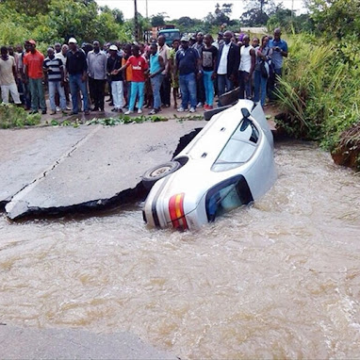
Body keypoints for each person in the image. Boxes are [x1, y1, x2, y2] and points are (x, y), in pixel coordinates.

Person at [117, 44, 148, 115]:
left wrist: (146, 75)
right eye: (131, 51)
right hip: (134, 80)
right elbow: (125, 66)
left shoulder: (142, 59)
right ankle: (130, 109)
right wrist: (118, 70)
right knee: (132, 94)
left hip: (141, 80)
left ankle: (140, 108)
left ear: (137, 51)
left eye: (133, 51)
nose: (132, 52)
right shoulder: (131, 58)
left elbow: (146, 68)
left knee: (141, 94)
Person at [176, 35, 200, 113]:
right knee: (183, 92)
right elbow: (176, 63)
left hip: (190, 74)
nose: (183, 44)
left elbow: (198, 61)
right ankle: (184, 105)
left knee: (192, 91)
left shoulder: (193, 51)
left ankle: (193, 106)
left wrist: (199, 71)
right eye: (182, 42)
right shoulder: (179, 52)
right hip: (181, 74)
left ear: (188, 42)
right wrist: (175, 74)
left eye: (185, 42)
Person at [66, 37, 89, 115]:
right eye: (69, 44)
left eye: (72, 44)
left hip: (80, 75)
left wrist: (84, 75)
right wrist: (66, 75)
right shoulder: (68, 54)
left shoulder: (81, 53)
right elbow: (67, 65)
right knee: (73, 94)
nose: (70, 45)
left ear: (75, 44)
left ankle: (86, 109)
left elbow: (85, 65)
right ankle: (75, 109)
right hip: (72, 75)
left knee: (84, 93)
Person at [23, 39, 46, 114]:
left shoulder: (40, 55)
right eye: (29, 46)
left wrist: (44, 76)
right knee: (33, 93)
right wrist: (26, 78)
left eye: (32, 45)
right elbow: (26, 67)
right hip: (31, 77)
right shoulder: (27, 56)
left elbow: (43, 67)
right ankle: (34, 109)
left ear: (34, 46)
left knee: (41, 93)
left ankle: (43, 108)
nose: (30, 47)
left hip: (39, 76)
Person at [214, 31, 239, 97]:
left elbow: (237, 62)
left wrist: (233, 73)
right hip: (220, 71)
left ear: (231, 37)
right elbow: (218, 59)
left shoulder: (235, 47)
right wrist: (215, 71)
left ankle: (229, 104)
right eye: (224, 36)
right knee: (220, 89)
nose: (225, 37)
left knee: (229, 89)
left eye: (227, 36)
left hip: (229, 72)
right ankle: (221, 104)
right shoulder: (221, 46)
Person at [43, 47, 67, 115]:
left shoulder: (58, 60)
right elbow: (44, 70)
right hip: (51, 80)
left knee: (62, 94)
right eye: (48, 52)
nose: (50, 54)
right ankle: (53, 110)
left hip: (59, 79)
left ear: (53, 52)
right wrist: (47, 70)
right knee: (51, 95)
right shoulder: (45, 61)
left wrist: (63, 79)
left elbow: (62, 70)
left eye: (51, 52)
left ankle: (63, 109)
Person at [268, 28, 288, 101]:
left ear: (280, 34)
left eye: (277, 34)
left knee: (278, 83)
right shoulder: (269, 42)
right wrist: (271, 49)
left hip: (278, 66)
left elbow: (286, 55)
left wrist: (280, 51)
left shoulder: (284, 43)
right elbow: (266, 51)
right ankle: (271, 98)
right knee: (270, 82)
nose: (276, 36)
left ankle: (278, 98)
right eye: (275, 34)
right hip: (270, 66)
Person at [87, 40, 107, 112]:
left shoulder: (103, 54)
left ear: (99, 45)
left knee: (101, 93)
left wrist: (105, 76)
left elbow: (105, 65)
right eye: (94, 45)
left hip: (101, 77)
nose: (95, 46)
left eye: (97, 45)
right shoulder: (89, 54)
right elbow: (88, 64)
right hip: (92, 76)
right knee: (94, 92)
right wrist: (88, 73)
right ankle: (96, 106)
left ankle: (101, 107)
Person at [253, 35, 272, 107]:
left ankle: (262, 104)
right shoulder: (258, 48)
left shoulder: (269, 49)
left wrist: (261, 55)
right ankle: (256, 102)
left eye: (267, 40)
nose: (265, 42)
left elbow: (268, 58)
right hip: (257, 69)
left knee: (263, 87)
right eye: (264, 40)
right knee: (256, 86)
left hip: (264, 69)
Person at [148, 42, 165, 115]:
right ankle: (158, 106)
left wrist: (154, 74)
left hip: (157, 76)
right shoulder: (151, 56)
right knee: (155, 91)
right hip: (152, 75)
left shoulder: (159, 56)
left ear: (156, 49)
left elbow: (163, 67)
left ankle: (156, 108)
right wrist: (148, 71)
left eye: (152, 49)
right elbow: (152, 66)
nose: (151, 50)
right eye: (150, 48)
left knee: (156, 92)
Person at [107, 44, 124, 113]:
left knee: (120, 92)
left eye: (113, 51)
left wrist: (118, 71)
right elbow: (107, 69)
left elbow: (122, 67)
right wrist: (110, 73)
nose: (112, 52)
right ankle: (116, 106)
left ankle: (120, 106)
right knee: (114, 92)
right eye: (111, 51)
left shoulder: (120, 58)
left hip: (119, 77)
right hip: (112, 78)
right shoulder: (109, 59)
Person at [202, 34, 217, 109]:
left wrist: (214, 72)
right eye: (204, 39)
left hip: (211, 71)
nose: (205, 41)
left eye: (207, 39)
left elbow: (215, 61)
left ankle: (210, 103)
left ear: (210, 40)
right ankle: (207, 102)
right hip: (204, 70)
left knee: (210, 87)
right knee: (205, 87)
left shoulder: (214, 49)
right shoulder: (203, 48)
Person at [238, 34, 256, 99]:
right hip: (241, 69)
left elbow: (253, 63)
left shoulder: (251, 49)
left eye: (245, 40)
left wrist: (250, 73)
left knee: (247, 86)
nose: (244, 42)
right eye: (243, 40)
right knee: (241, 87)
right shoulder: (242, 48)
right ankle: (241, 100)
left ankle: (248, 100)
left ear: (248, 40)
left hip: (247, 69)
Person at [193, 32, 205, 108]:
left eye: (201, 35)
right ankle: (197, 100)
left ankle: (202, 100)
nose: (199, 37)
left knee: (201, 85)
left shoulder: (204, 46)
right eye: (198, 35)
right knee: (196, 85)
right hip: (195, 68)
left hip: (202, 67)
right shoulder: (194, 46)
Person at [158, 35, 171, 108]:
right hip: (158, 71)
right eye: (158, 40)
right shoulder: (158, 48)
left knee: (166, 88)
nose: (158, 42)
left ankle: (167, 102)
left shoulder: (167, 49)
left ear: (164, 41)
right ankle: (162, 102)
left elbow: (168, 61)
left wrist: (166, 71)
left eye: (160, 40)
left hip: (164, 71)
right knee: (161, 88)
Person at [169, 38, 180, 109]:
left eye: (177, 43)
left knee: (181, 87)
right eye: (175, 43)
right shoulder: (171, 52)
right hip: (174, 72)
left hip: (181, 71)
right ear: (172, 44)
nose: (176, 45)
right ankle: (175, 102)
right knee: (174, 87)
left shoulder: (181, 51)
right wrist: (173, 71)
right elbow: (170, 63)